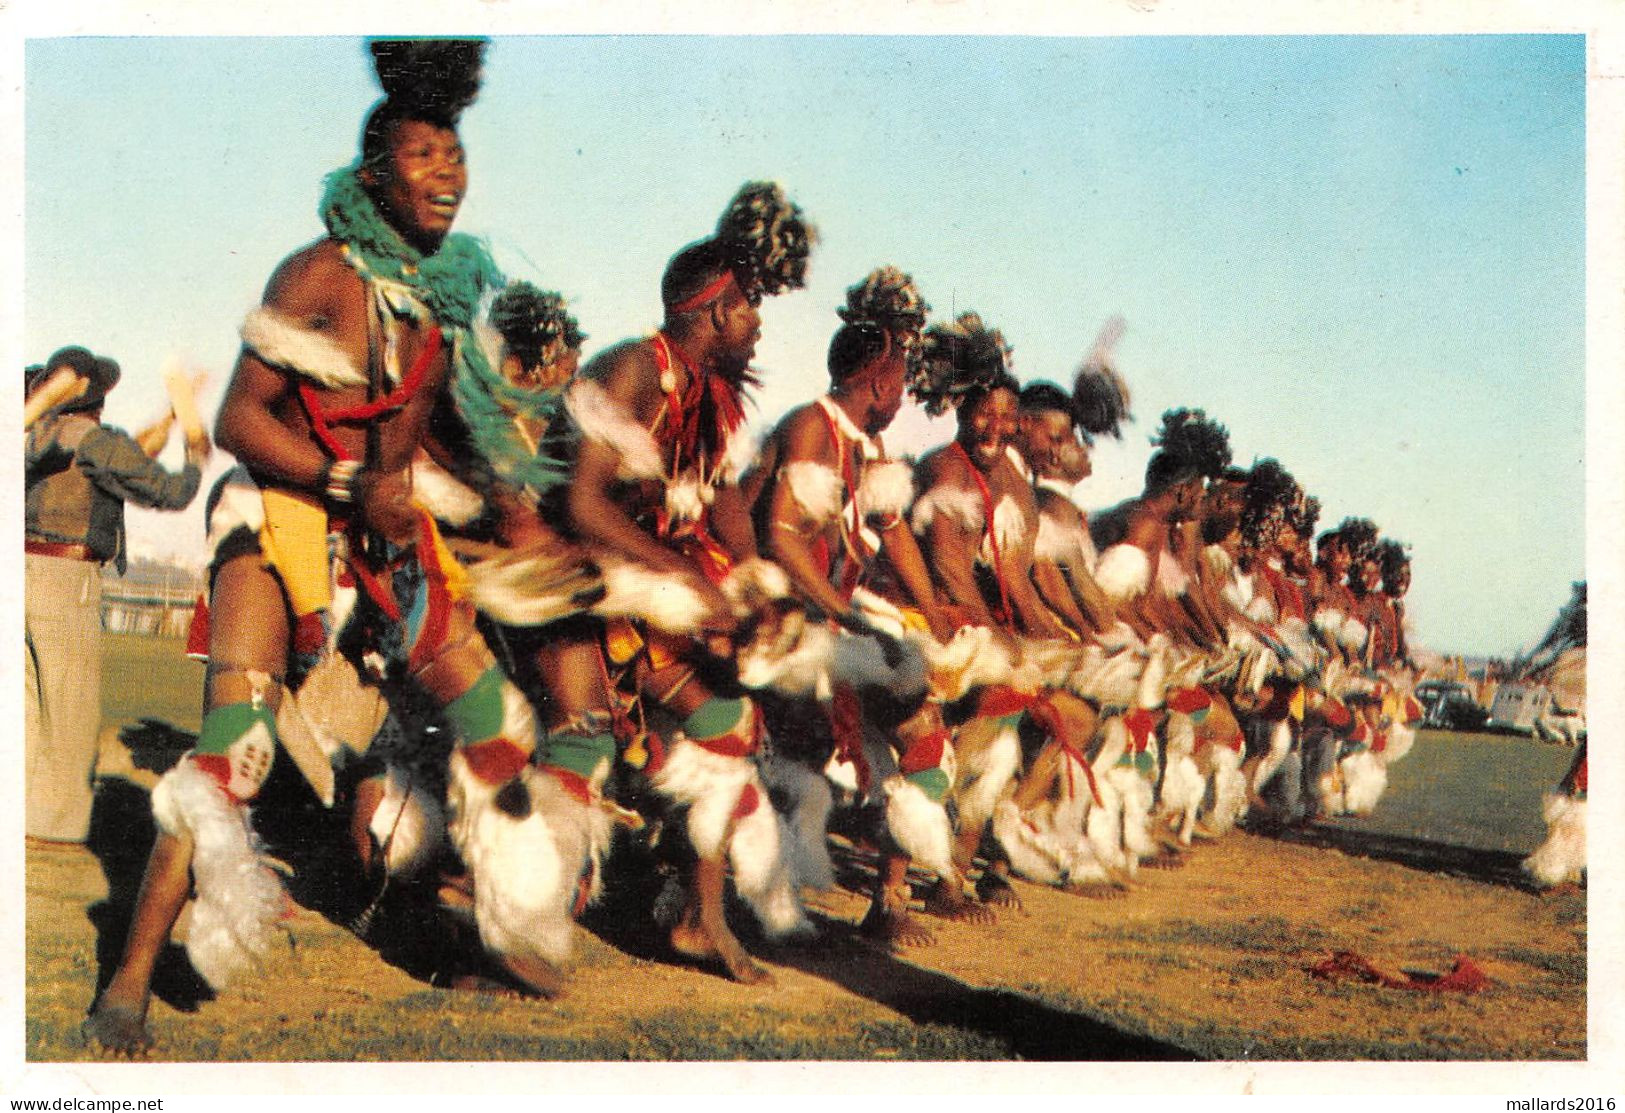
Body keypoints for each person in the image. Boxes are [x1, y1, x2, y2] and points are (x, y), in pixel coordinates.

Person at [87, 39, 594, 1055]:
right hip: (282, 518)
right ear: (374, 175)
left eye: (454, 157)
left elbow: (440, 436)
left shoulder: (444, 301)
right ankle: (132, 976)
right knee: (237, 753)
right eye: (421, 157)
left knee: (497, 724)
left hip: (388, 535)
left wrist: (507, 514)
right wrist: (345, 483)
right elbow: (239, 417)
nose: (446, 175)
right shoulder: (319, 273)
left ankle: (500, 935)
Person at [564, 181, 815, 985]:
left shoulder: (708, 397)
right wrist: (676, 573)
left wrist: (752, 582)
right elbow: (579, 498)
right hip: (571, 587)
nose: (758, 322)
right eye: (747, 308)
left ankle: (696, 915)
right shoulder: (635, 367)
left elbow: (726, 501)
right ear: (710, 310)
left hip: (637, 589)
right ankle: (680, 909)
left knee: (726, 718)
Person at [25, 347, 208, 848]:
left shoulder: (34, 435)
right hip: (67, 579)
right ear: (97, 398)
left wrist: (169, 417)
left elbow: (129, 453)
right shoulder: (94, 440)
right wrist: (195, 447)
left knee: (27, 709)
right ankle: (55, 826)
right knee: (70, 708)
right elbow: (167, 491)